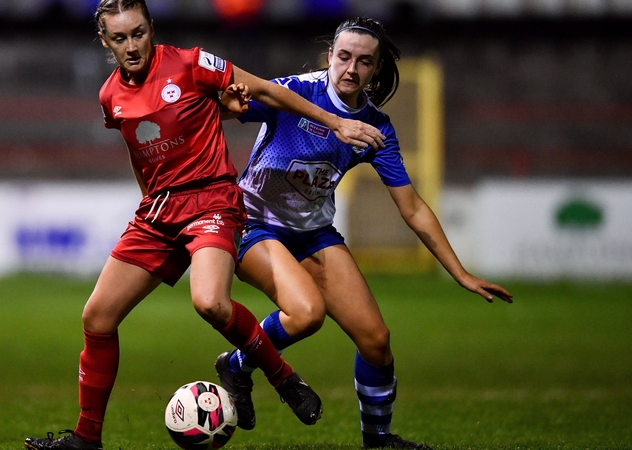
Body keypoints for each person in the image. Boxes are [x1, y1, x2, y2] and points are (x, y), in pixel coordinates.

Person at [23, 2, 387, 450]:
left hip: (211, 200)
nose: (132, 45)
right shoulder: (109, 97)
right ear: (105, 41)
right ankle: (86, 439)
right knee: (97, 318)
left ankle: (283, 378)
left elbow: (268, 93)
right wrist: (150, 205)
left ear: (151, 28)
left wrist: (335, 123)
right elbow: (143, 155)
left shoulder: (192, 63)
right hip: (158, 212)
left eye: (138, 33)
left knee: (210, 302)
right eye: (120, 38)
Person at [213, 17, 514, 449]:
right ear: (330, 55)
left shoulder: (376, 129)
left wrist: (460, 273)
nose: (351, 69)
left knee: (376, 341)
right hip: (255, 224)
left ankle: (377, 441)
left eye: (364, 62)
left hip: (313, 233)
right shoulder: (296, 92)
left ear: (375, 70)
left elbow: (412, 207)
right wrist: (230, 101)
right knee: (307, 314)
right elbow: (228, 107)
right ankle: (239, 365)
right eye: (344, 57)